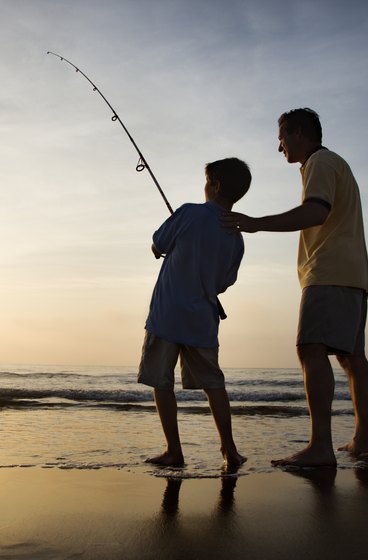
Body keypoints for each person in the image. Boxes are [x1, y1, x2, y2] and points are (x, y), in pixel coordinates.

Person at [222, 108, 368, 467]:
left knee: (310, 348)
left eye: (281, 139)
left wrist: (256, 223)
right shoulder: (336, 163)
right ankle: (363, 441)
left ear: (300, 133)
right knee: (352, 357)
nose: (280, 148)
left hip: (328, 272)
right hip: (353, 275)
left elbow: (315, 213)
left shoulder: (320, 162)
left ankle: (320, 446)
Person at [138, 157, 251, 469]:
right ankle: (229, 450)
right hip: (202, 319)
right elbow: (225, 282)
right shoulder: (236, 237)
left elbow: (158, 243)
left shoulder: (188, 212)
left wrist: (160, 249)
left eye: (206, 182)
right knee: (214, 384)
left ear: (213, 185)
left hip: (167, 315)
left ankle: (174, 450)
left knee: (162, 382)